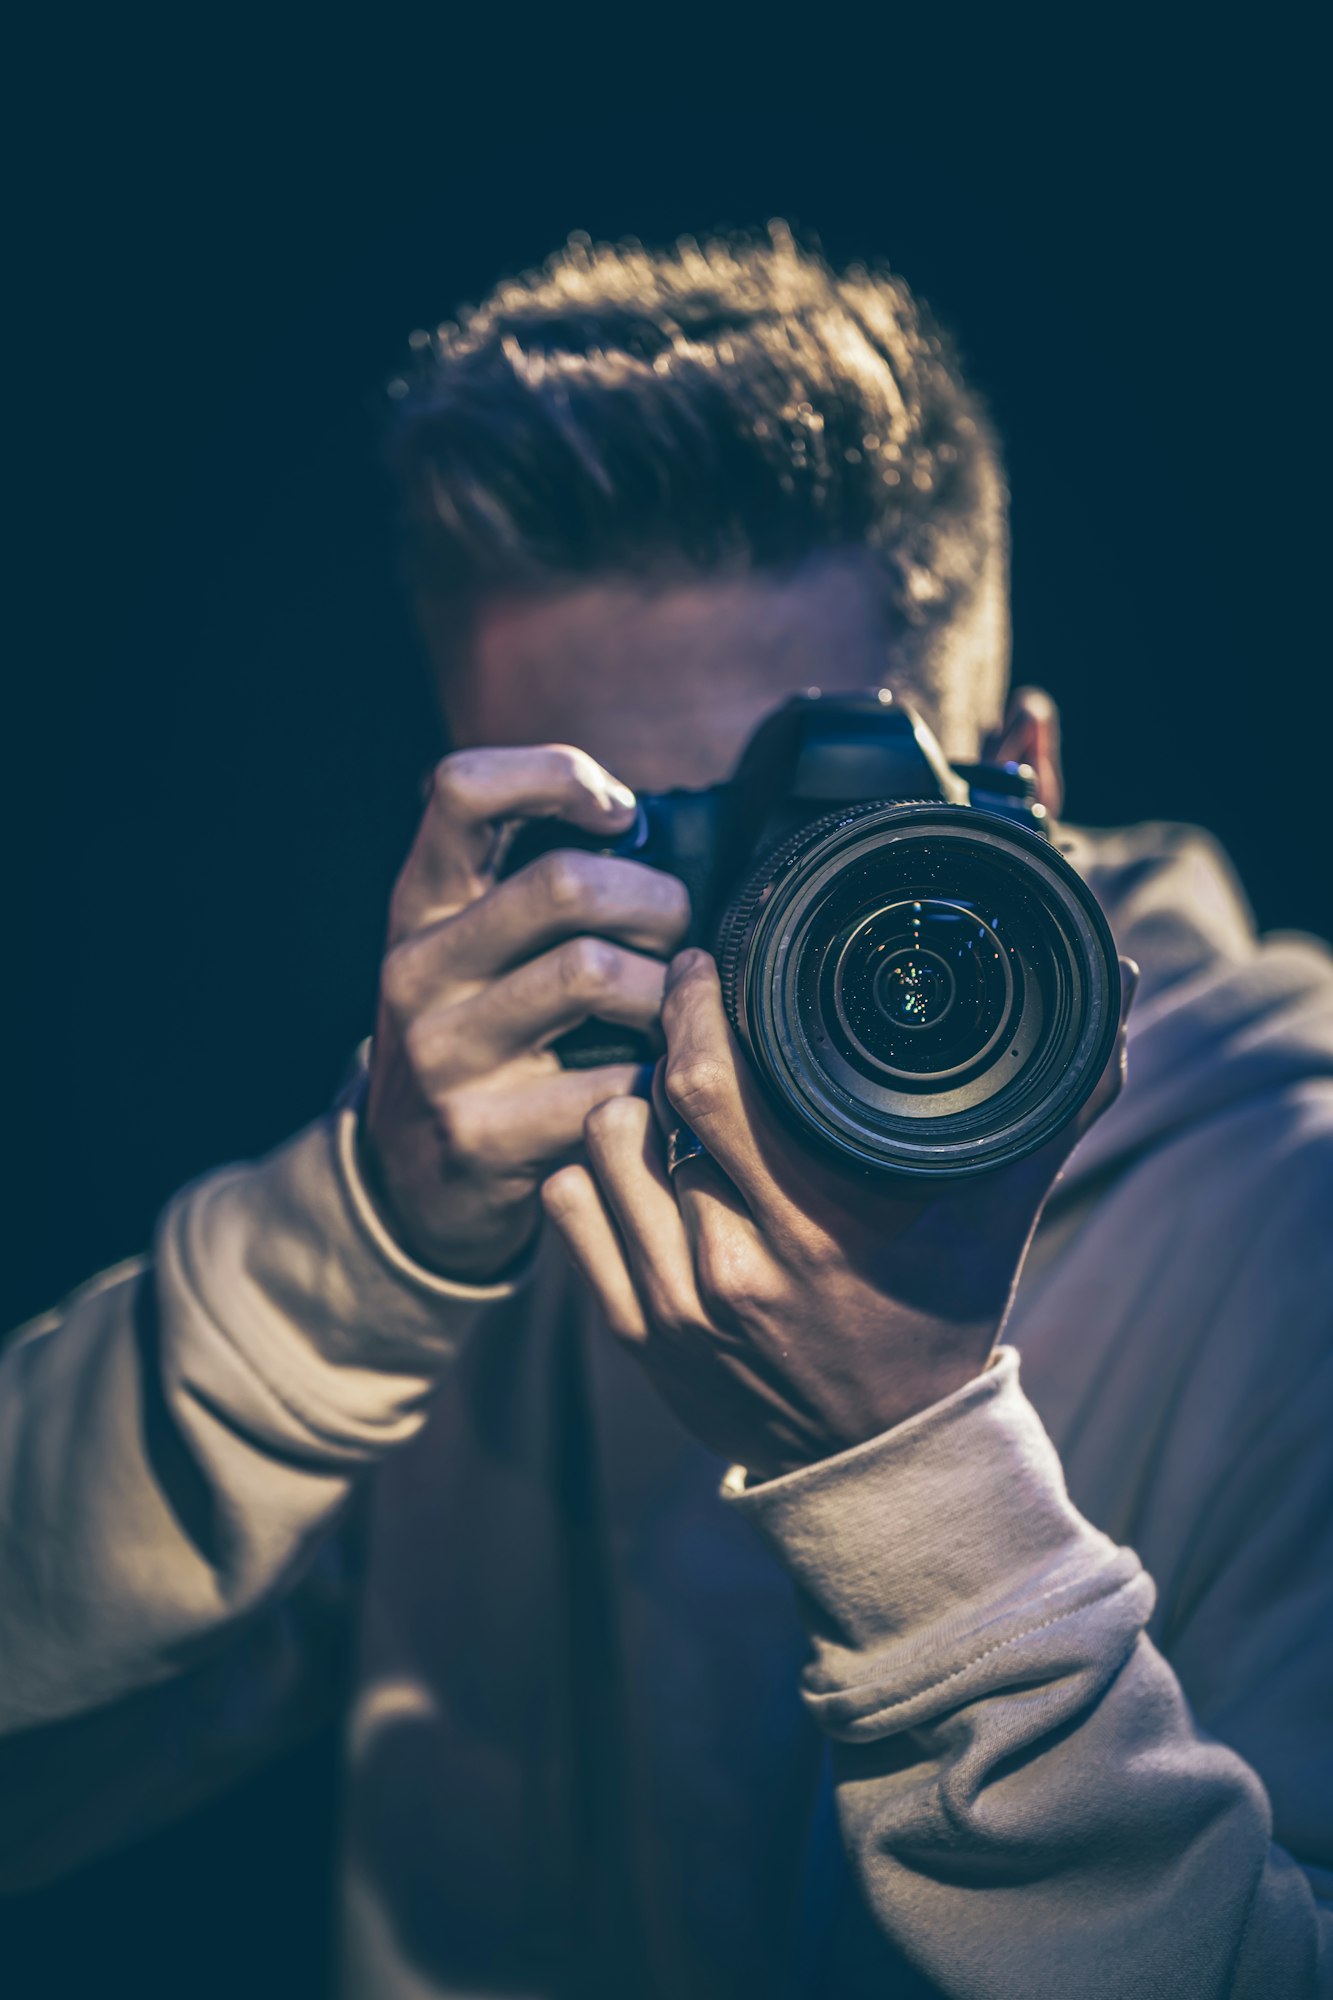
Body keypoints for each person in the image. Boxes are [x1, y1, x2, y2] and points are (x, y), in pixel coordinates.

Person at [2, 226, 1330, 1999]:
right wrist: (355, 1251)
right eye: (623, 854)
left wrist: (920, 1472)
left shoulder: (1292, 1240)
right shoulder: (496, 1203)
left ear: (1021, 784)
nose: (729, 955)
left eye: (804, 833)